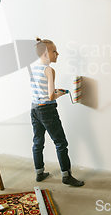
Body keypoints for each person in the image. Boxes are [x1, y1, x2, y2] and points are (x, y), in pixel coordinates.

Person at [30, 38, 84, 187]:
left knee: (38, 142)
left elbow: (41, 91)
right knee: (60, 143)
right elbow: (51, 96)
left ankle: (39, 172)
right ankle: (66, 175)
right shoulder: (49, 70)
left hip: (34, 108)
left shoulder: (34, 69)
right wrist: (61, 93)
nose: (57, 53)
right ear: (46, 54)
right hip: (47, 110)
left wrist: (53, 92)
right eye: (54, 51)